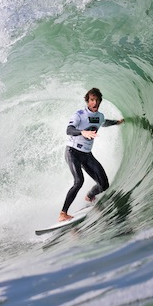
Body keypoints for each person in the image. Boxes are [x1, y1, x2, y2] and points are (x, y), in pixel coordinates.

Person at [59, 88, 124, 222]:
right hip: (73, 152)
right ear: (87, 101)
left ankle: (89, 196)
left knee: (104, 184)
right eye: (91, 100)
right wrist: (83, 132)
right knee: (79, 181)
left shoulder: (99, 116)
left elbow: (103, 122)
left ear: (100, 101)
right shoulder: (79, 115)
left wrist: (117, 122)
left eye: (97, 100)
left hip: (87, 155)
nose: (94, 103)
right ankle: (63, 213)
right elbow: (69, 130)